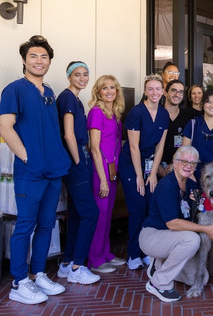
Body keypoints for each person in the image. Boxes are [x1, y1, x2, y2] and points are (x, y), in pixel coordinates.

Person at [0, 35, 70, 304]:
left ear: (50, 61)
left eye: (44, 57)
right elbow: (5, 127)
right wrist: (28, 157)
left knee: (47, 225)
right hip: (31, 172)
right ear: (24, 61)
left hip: (53, 171)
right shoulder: (14, 89)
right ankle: (19, 281)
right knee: (25, 226)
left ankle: (38, 273)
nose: (39, 61)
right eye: (33, 56)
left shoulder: (49, 92)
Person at [139, 146, 213, 302]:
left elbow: (194, 214)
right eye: (184, 161)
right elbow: (173, 224)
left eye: (193, 163)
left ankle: (159, 264)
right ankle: (159, 283)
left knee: (200, 278)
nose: (188, 166)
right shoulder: (166, 185)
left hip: (172, 240)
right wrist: (207, 230)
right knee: (192, 240)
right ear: (174, 162)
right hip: (153, 236)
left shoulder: (191, 186)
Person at [56, 61, 100, 284]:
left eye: (86, 74)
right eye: (77, 74)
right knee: (90, 213)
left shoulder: (75, 99)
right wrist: (77, 162)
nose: (82, 78)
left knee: (76, 214)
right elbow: (69, 135)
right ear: (69, 76)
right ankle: (77, 266)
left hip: (80, 160)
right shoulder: (67, 98)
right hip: (76, 161)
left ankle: (67, 262)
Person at [119, 74, 169, 270]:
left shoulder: (164, 114)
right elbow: (133, 148)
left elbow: (160, 146)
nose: (155, 92)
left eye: (158, 89)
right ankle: (133, 254)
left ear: (162, 92)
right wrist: (140, 176)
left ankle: (148, 251)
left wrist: (153, 174)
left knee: (151, 209)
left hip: (150, 165)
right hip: (132, 165)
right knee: (137, 209)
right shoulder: (136, 112)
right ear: (145, 91)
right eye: (151, 89)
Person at [86, 75, 126, 273]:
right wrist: (102, 179)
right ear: (98, 91)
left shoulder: (115, 113)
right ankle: (95, 259)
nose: (109, 91)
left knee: (108, 215)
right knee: (100, 215)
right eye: (105, 88)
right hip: (100, 171)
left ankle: (106, 253)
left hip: (113, 170)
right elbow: (94, 148)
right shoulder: (96, 112)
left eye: (113, 87)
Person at [159, 80, 193, 177]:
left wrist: (176, 164)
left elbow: (188, 145)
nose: (177, 94)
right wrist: (157, 166)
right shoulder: (156, 114)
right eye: (173, 90)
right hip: (156, 167)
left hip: (179, 167)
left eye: (181, 92)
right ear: (165, 92)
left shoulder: (187, 116)